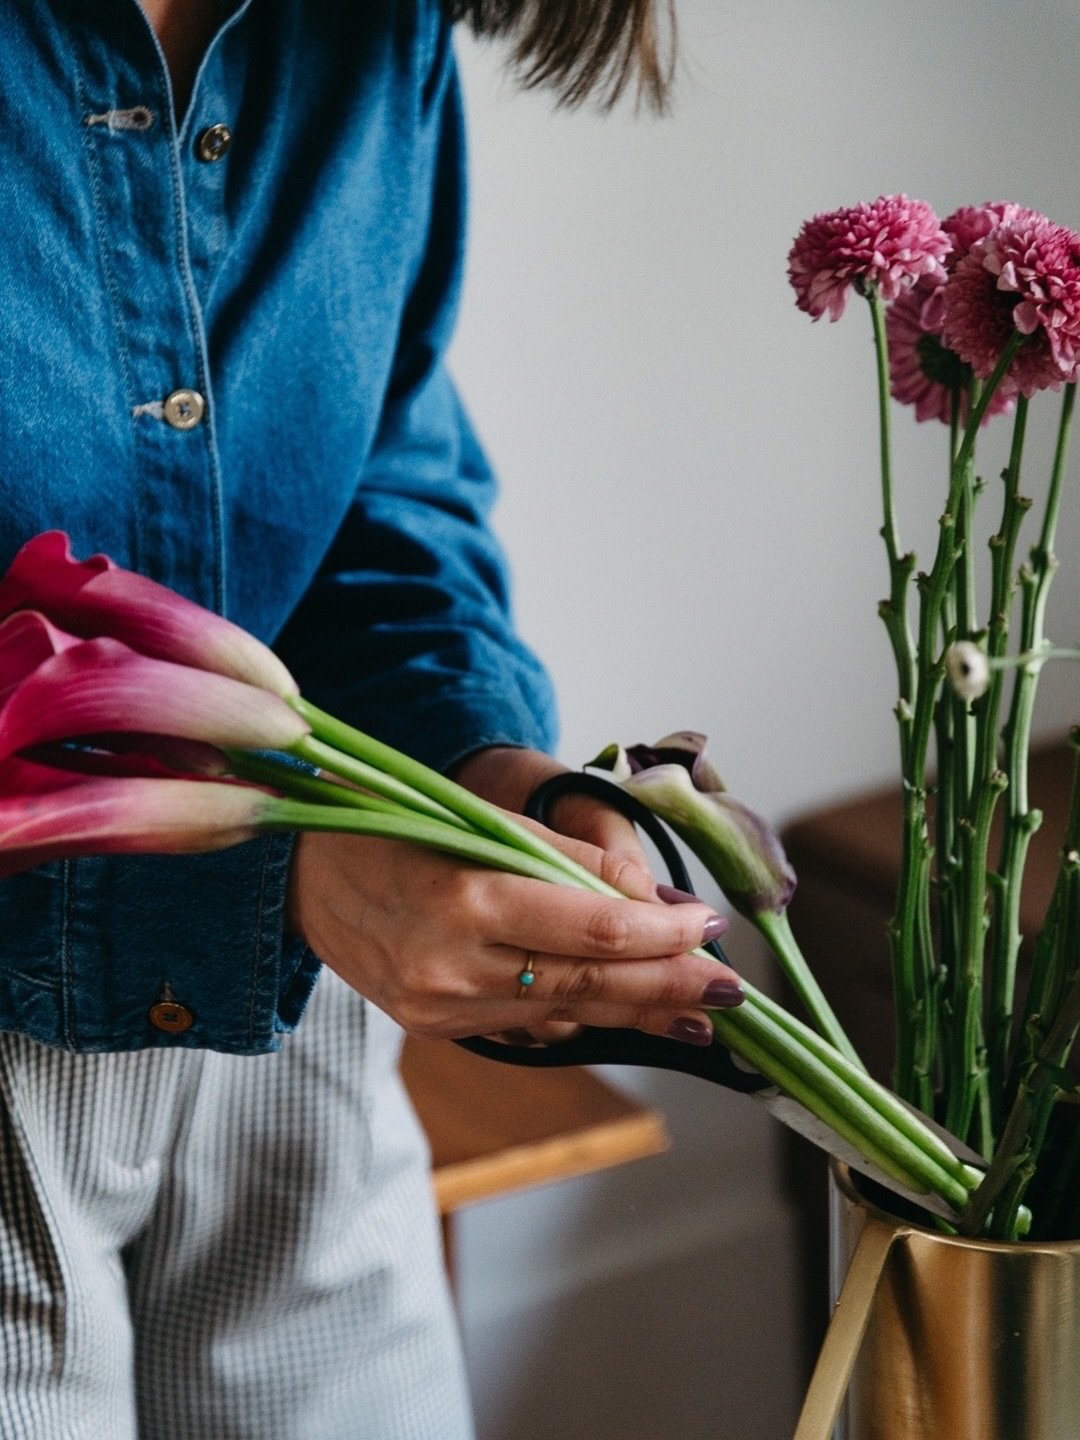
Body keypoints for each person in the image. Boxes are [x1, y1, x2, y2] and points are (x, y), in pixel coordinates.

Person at [0, 2, 744, 1436]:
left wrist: (486, 776)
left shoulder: (368, 30)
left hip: (299, 1046)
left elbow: (379, 501)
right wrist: (278, 868)